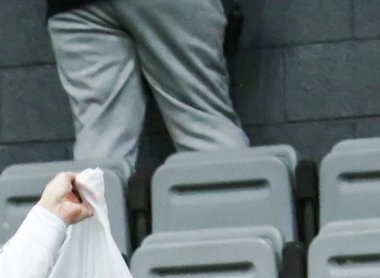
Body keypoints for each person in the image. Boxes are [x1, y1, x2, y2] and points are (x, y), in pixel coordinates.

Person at [47, 0, 249, 171]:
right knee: (205, 129)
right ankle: (233, 214)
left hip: (72, 6)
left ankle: (94, 217)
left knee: (100, 147)